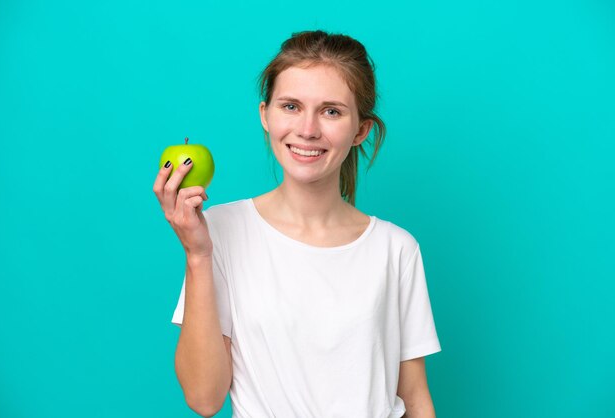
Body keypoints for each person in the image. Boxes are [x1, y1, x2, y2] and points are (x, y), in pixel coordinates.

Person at [153, 30, 442, 418]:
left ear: (361, 130)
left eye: (331, 111)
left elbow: (416, 400)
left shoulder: (396, 249)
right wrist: (197, 255)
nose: (307, 130)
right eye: (290, 106)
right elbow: (204, 399)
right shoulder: (219, 231)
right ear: (265, 115)